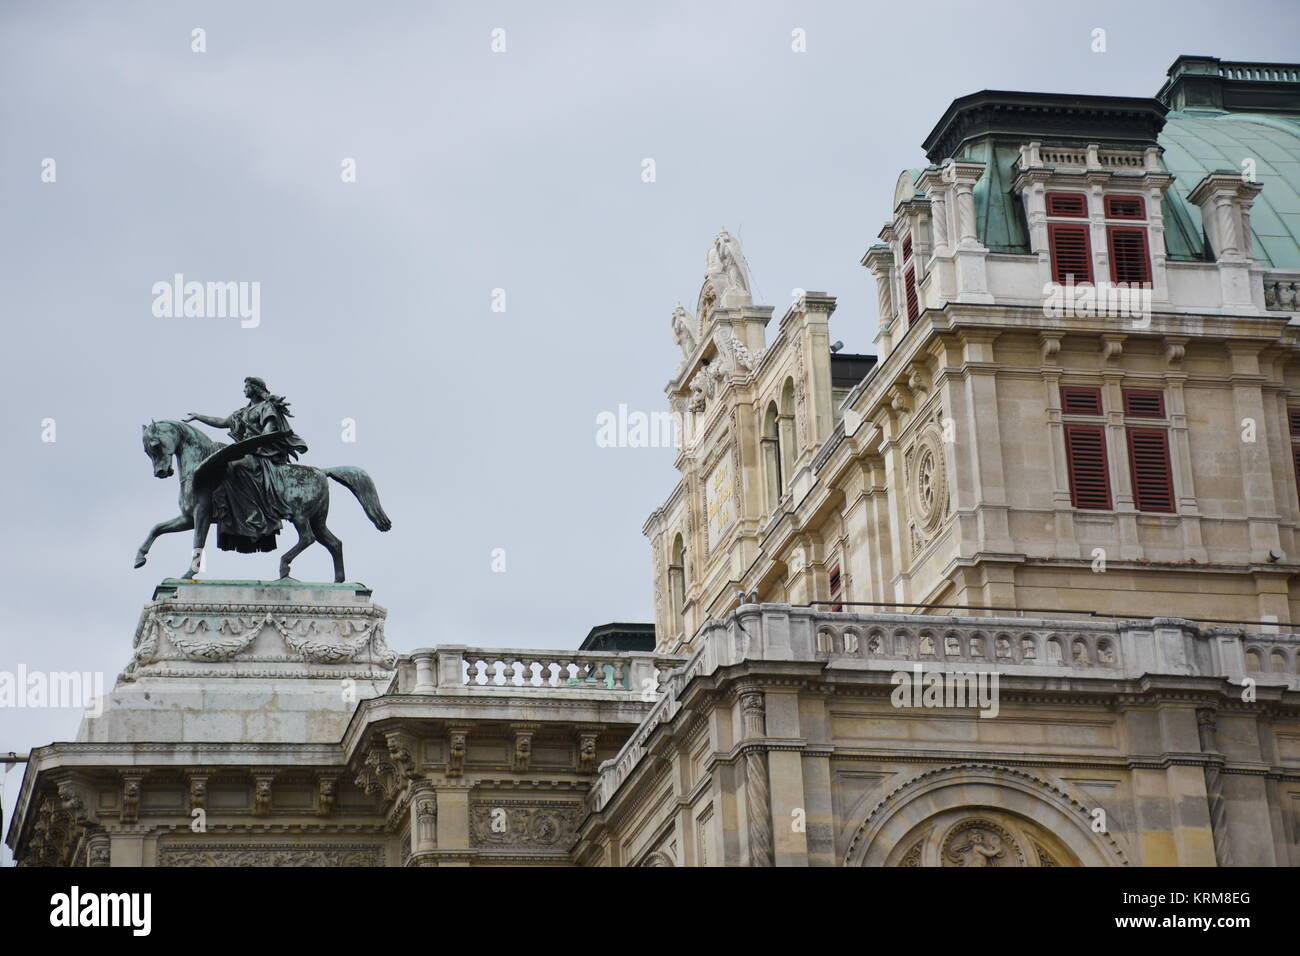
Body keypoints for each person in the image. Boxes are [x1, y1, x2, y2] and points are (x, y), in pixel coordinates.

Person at [185, 377, 309, 553]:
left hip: (260, 454)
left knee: (233, 467)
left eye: (246, 386)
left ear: (255, 388)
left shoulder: (266, 407)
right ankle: (230, 512)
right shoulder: (241, 412)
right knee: (223, 467)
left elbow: (268, 431)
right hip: (245, 451)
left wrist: (252, 444)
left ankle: (252, 514)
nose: (244, 390)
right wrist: (198, 417)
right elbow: (221, 422)